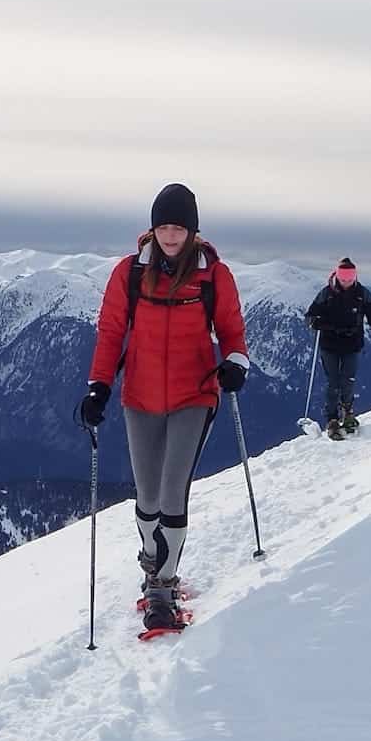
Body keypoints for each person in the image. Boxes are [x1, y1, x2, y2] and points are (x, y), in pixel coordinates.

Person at [78, 183, 249, 632]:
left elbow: (231, 329)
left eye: (178, 227)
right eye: (163, 226)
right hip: (141, 396)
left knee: (173, 494)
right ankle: (152, 565)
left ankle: (163, 588)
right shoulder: (130, 273)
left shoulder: (214, 275)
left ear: (192, 231)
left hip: (196, 394)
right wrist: (99, 387)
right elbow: (112, 331)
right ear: (152, 228)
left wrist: (234, 363)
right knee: (148, 497)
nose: (170, 236)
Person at [305, 258, 371, 440]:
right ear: (337, 275)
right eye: (343, 278)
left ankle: (347, 412)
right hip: (330, 344)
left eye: (349, 279)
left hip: (351, 344)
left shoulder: (360, 293)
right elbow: (311, 315)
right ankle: (332, 418)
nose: (346, 282)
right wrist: (316, 322)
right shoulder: (327, 294)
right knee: (334, 382)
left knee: (348, 380)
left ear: (355, 277)